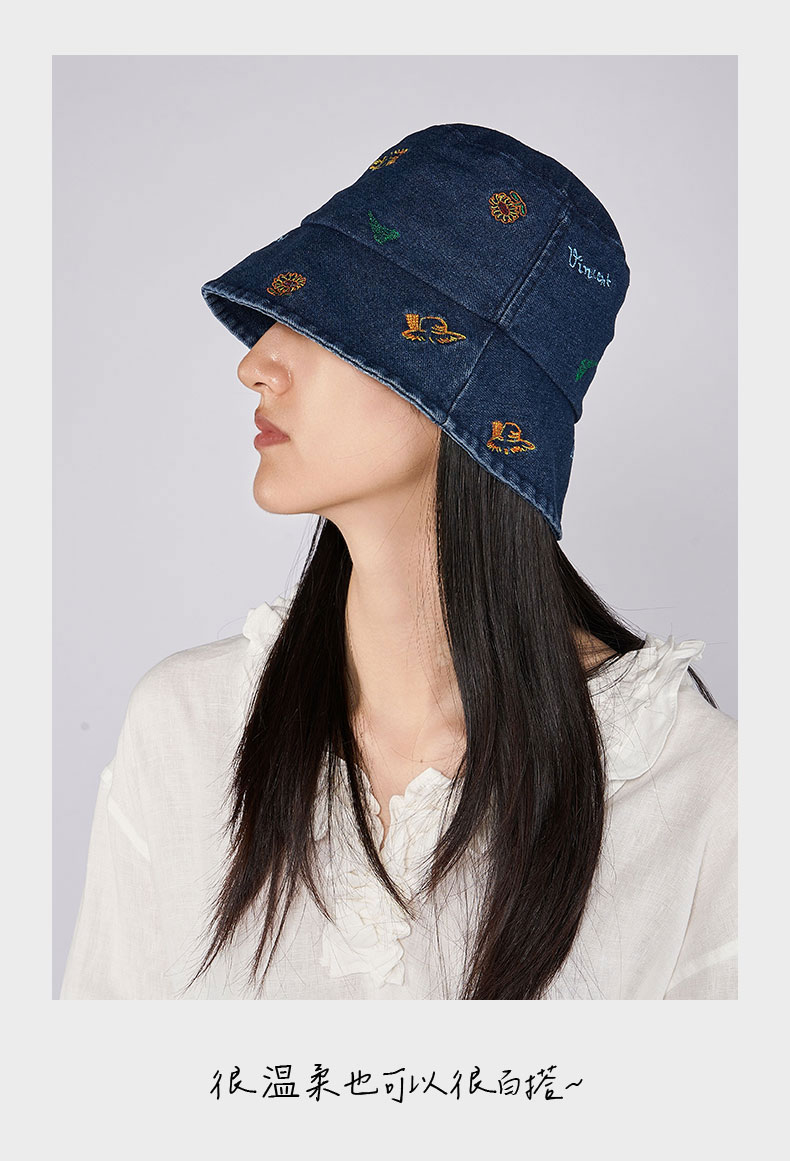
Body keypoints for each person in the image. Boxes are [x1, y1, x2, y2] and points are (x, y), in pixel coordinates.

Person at [60, 122, 737, 1001]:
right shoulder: (187, 728)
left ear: (475, 396)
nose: (256, 363)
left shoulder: (696, 789)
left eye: (333, 319)